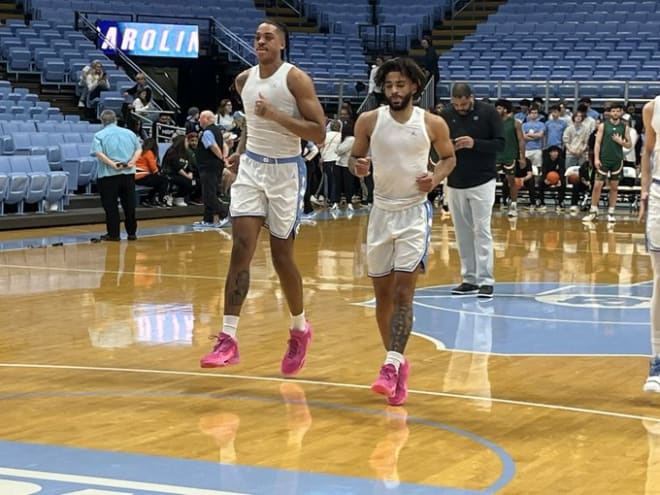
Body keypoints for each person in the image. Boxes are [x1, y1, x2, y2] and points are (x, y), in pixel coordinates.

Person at [199, 19, 326, 375]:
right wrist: (241, 151)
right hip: (252, 169)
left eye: (268, 37)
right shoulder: (243, 80)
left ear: (282, 44)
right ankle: (228, 337)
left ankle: (300, 329)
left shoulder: (295, 79)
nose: (260, 41)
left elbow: (318, 132)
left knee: (282, 257)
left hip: (286, 172)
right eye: (257, 37)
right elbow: (251, 127)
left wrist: (275, 115)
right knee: (241, 247)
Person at [350, 57, 456, 405]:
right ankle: (396, 362)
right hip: (380, 212)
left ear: (414, 87)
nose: (394, 91)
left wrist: (435, 178)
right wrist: (359, 167)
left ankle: (390, 364)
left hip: (413, 214)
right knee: (382, 297)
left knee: (403, 295)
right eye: (389, 85)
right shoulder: (368, 121)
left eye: (401, 85)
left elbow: (448, 158)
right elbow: (354, 159)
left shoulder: (432, 122)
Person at [440, 83, 505, 298]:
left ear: (472, 98)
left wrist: (473, 143)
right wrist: (448, 145)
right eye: (457, 104)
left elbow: (500, 144)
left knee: (482, 230)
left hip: (482, 179)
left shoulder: (488, 112)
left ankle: (486, 280)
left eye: (464, 103)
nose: (460, 108)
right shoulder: (446, 115)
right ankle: (469, 278)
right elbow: (436, 145)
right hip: (455, 180)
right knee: (461, 233)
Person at [90, 109, 141, 241]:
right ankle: (132, 233)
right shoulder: (130, 133)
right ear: (115, 120)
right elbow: (139, 149)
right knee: (129, 205)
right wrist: (133, 161)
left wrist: (112, 164)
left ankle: (114, 234)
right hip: (128, 174)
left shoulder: (99, 135)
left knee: (111, 206)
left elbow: (98, 153)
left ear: (102, 121)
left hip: (108, 175)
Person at [639, 95, 660, 393]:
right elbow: (647, 152)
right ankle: (658, 358)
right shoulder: (653, 108)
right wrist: (644, 192)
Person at [583, 101, 631, 224]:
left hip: (617, 160)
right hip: (604, 159)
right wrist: (596, 158)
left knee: (614, 187)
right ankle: (593, 211)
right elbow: (597, 143)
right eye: (613, 111)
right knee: (597, 185)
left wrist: (621, 142)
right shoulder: (603, 126)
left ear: (621, 112)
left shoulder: (625, 127)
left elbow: (629, 145)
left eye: (617, 111)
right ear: (610, 113)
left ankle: (611, 212)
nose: (615, 113)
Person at [193, 110, 229, 228]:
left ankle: (224, 214)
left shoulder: (207, 132)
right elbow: (224, 145)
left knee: (209, 195)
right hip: (213, 167)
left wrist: (221, 158)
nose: (199, 120)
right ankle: (208, 219)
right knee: (209, 193)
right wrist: (224, 157)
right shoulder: (217, 130)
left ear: (207, 119)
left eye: (201, 118)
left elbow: (213, 146)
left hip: (209, 167)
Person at [494, 99, 525, 217]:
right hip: (496, 155)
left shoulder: (515, 123)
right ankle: (487, 204)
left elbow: (521, 140)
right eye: (496, 108)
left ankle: (513, 205)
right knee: (488, 181)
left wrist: (522, 157)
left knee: (511, 181)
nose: (497, 110)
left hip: (510, 155)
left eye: (499, 108)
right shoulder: (493, 122)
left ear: (505, 109)